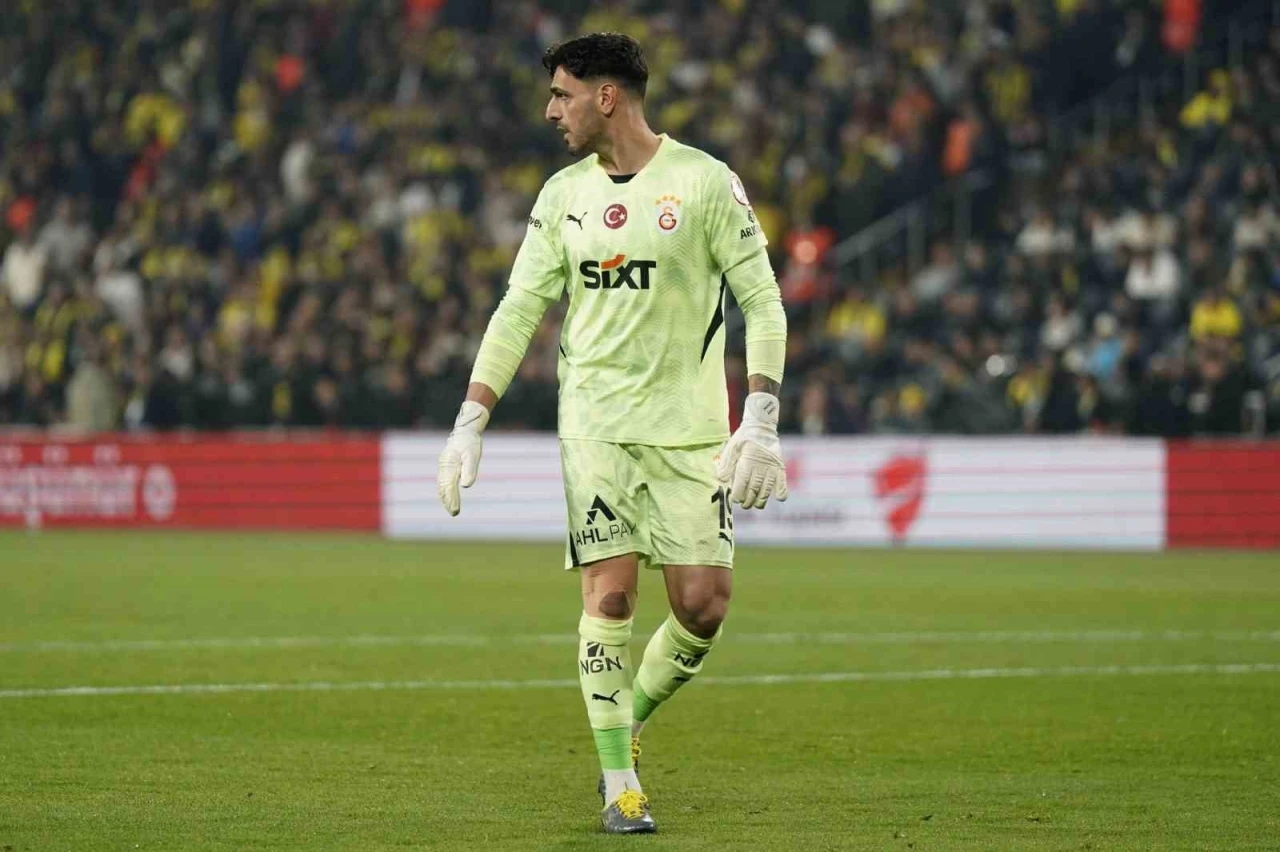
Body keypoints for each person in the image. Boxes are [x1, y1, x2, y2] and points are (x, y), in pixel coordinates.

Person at [435, 33, 788, 834]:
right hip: (594, 425)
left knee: (703, 606)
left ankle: (621, 723)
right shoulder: (561, 195)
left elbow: (762, 302)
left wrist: (761, 415)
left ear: (606, 97)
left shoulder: (704, 182)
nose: (550, 111)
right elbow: (518, 310)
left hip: (690, 432)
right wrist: (471, 417)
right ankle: (620, 785)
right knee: (612, 594)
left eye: (561, 94)